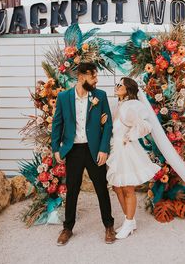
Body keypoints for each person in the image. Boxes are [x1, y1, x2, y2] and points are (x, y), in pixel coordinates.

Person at [51, 62, 115, 245]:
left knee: (101, 188)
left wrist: (104, 149)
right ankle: (67, 228)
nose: (96, 79)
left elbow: (108, 124)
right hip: (73, 150)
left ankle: (109, 226)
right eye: (93, 76)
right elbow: (57, 124)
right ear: (81, 76)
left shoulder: (100, 96)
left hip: (94, 149)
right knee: (72, 190)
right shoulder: (63, 97)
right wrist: (56, 148)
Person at [106, 77, 160, 239]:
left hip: (125, 151)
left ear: (128, 89)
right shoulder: (120, 105)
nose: (117, 86)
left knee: (127, 188)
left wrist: (129, 136)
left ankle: (129, 223)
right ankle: (130, 220)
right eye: (116, 84)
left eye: (120, 85)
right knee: (117, 187)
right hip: (115, 150)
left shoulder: (130, 107)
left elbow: (145, 125)